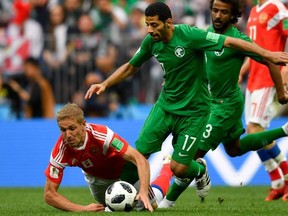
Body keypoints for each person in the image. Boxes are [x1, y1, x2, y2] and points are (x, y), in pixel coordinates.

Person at [85, 1, 288, 205]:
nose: (150, 30)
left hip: (200, 110)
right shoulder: (151, 41)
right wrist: (105, 83)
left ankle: (190, 178)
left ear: (169, 22)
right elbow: (131, 66)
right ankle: (119, 202)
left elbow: (230, 43)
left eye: (154, 25)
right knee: (138, 155)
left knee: (180, 166)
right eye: (147, 24)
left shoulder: (191, 35)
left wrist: (268, 54)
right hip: (165, 108)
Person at [158, 0, 288, 208]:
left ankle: (167, 202)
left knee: (190, 156)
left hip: (224, 106)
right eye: (215, 10)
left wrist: (281, 91)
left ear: (233, 15)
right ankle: (284, 130)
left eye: (224, 12)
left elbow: (269, 59)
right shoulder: (207, 35)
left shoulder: (238, 40)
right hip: (214, 102)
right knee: (234, 149)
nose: (218, 15)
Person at [44, 103, 173, 212]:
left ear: (83, 124)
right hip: (96, 180)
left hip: (123, 172)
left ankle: (167, 169)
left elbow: (139, 159)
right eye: (63, 130)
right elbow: (49, 195)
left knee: (151, 206)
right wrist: (82, 209)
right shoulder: (60, 150)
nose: (68, 135)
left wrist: (144, 191)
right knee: (110, 208)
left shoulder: (102, 135)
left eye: (72, 128)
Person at [240, 0, 288, 201]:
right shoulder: (253, 12)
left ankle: (283, 175)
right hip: (253, 79)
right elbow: (253, 48)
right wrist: (242, 71)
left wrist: (286, 67)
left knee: (254, 129)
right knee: (254, 131)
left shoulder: (276, 7)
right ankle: (277, 182)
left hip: (269, 77)